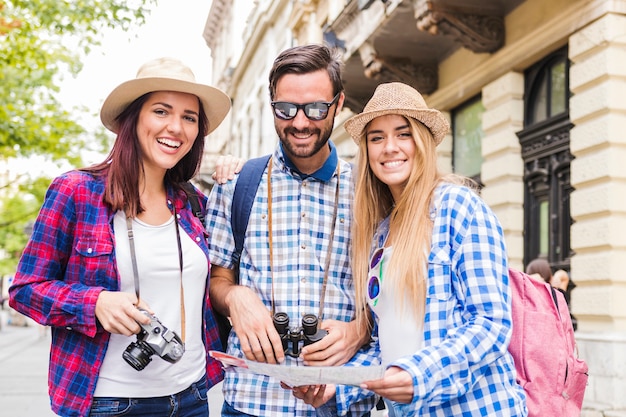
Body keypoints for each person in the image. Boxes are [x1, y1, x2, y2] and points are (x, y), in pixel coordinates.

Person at [9, 57, 231, 417]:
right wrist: (94, 303)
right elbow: (25, 290)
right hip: (111, 402)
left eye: (189, 117)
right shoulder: (76, 192)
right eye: (161, 111)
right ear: (134, 118)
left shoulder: (196, 203)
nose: (176, 127)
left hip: (192, 397)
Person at [296, 82, 528, 416]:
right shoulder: (381, 233)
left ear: (422, 141)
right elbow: (387, 345)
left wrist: (417, 375)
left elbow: (490, 324)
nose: (389, 147)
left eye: (403, 134)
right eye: (377, 138)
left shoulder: (458, 207)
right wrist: (335, 387)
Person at [206, 44, 378, 417]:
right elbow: (217, 277)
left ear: (339, 103)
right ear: (272, 105)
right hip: (252, 401)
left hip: (341, 400)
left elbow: (392, 293)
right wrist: (236, 297)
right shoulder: (235, 185)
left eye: (316, 108)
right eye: (286, 109)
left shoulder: (369, 190)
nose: (300, 122)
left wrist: (360, 330)